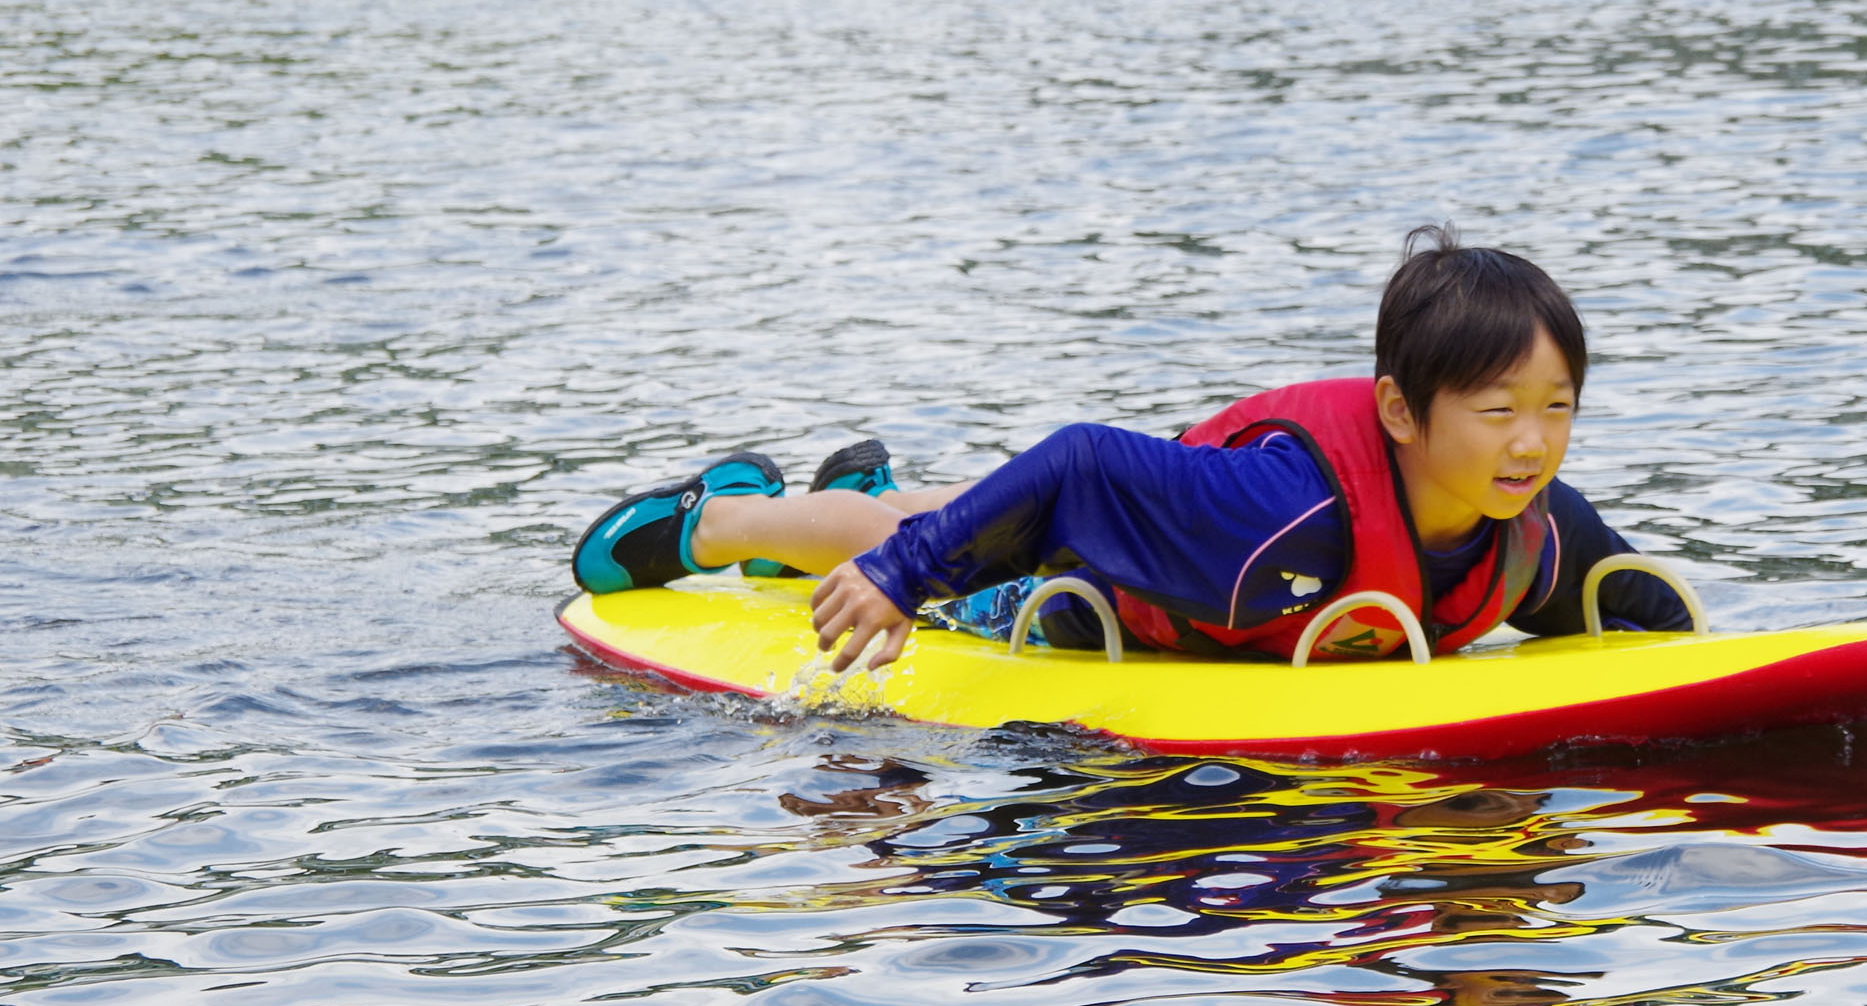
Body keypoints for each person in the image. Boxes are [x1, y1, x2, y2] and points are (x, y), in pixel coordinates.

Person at [569, 227, 1691, 674]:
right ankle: (716, 515)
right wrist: (905, 579)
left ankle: (860, 492)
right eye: (1500, 412)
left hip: (1189, 521)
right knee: (934, 544)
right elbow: (1078, 466)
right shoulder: (1279, 517)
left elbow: (1632, 605)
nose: (1533, 442)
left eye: (1559, 407)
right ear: (1403, 413)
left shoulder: (1528, 531)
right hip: (1112, 583)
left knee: (945, 510)